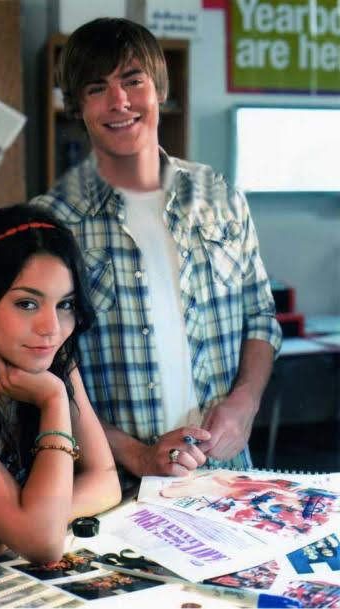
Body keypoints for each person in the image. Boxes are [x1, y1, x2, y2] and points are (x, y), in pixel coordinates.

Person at [31, 18, 282, 487]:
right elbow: (40, 374)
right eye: (96, 88)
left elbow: (261, 318)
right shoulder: (52, 224)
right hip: (115, 489)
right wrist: (138, 455)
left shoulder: (219, 196)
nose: (120, 101)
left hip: (226, 480)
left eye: (133, 81)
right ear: (77, 106)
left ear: (159, 89)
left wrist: (245, 404)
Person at [0, 203, 121, 570]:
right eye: (27, 303)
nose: (51, 328)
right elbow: (44, 542)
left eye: (65, 304)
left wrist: (4, 531)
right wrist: (53, 401)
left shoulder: (52, 360)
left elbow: (105, 480)